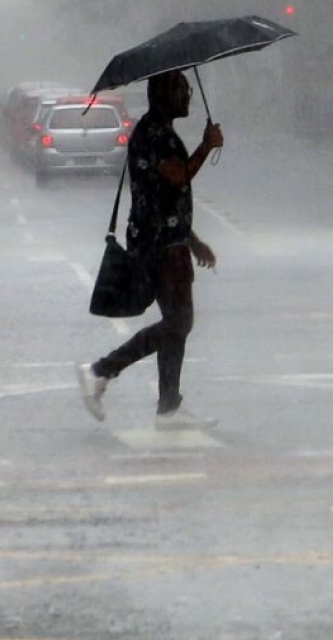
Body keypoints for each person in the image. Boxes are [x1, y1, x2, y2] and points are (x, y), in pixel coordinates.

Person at [76, 69, 224, 430]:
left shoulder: (159, 131)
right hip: (159, 247)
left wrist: (193, 240)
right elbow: (178, 177)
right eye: (180, 90)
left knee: (178, 323)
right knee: (179, 322)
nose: (187, 96)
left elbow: (167, 197)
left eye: (188, 90)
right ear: (160, 94)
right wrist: (207, 145)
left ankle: (169, 407)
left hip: (168, 241)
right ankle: (101, 371)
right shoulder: (153, 134)